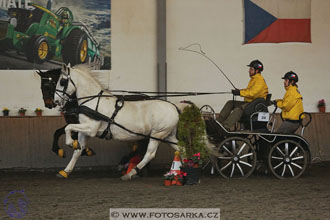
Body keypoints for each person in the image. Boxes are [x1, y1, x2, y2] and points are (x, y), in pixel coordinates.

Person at [218, 60, 269, 130]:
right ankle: (218, 122)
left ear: (257, 71)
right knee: (230, 103)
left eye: (251, 69)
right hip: (249, 104)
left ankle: (225, 127)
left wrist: (239, 93)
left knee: (238, 109)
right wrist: (239, 91)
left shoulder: (259, 80)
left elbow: (253, 93)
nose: (249, 71)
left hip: (254, 106)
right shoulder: (254, 79)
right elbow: (248, 90)